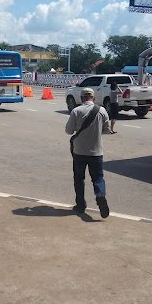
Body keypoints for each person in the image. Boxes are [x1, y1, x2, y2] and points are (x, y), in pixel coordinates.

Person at [65, 87, 111, 218]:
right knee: (98, 178)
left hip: (79, 152)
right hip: (96, 152)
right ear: (94, 98)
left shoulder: (76, 110)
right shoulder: (101, 110)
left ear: (81, 98)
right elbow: (107, 130)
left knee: (79, 179)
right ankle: (100, 196)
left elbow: (68, 131)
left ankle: (80, 205)